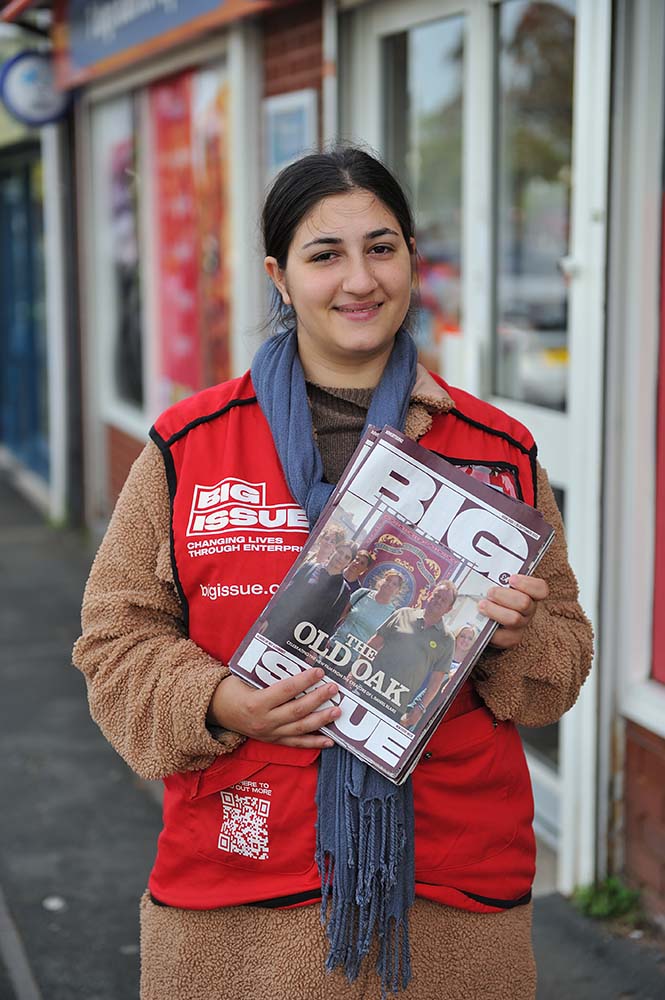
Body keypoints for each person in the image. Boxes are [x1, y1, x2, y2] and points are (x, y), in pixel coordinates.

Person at [73, 146, 593, 1000]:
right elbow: (114, 639)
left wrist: (521, 637)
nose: (359, 279)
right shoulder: (189, 445)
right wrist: (219, 701)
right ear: (279, 277)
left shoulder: (497, 453)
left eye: (380, 248)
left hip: (450, 888)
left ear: (411, 259)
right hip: (239, 880)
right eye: (325, 254)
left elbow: (560, 661)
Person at [361, 581, 457, 725]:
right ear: (430, 595)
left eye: (444, 600)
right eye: (437, 596)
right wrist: (356, 670)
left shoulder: (447, 639)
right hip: (367, 684)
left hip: (395, 703)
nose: (438, 601)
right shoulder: (403, 614)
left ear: (449, 609)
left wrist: (421, 708)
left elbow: (436, 681)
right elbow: (374, 643)